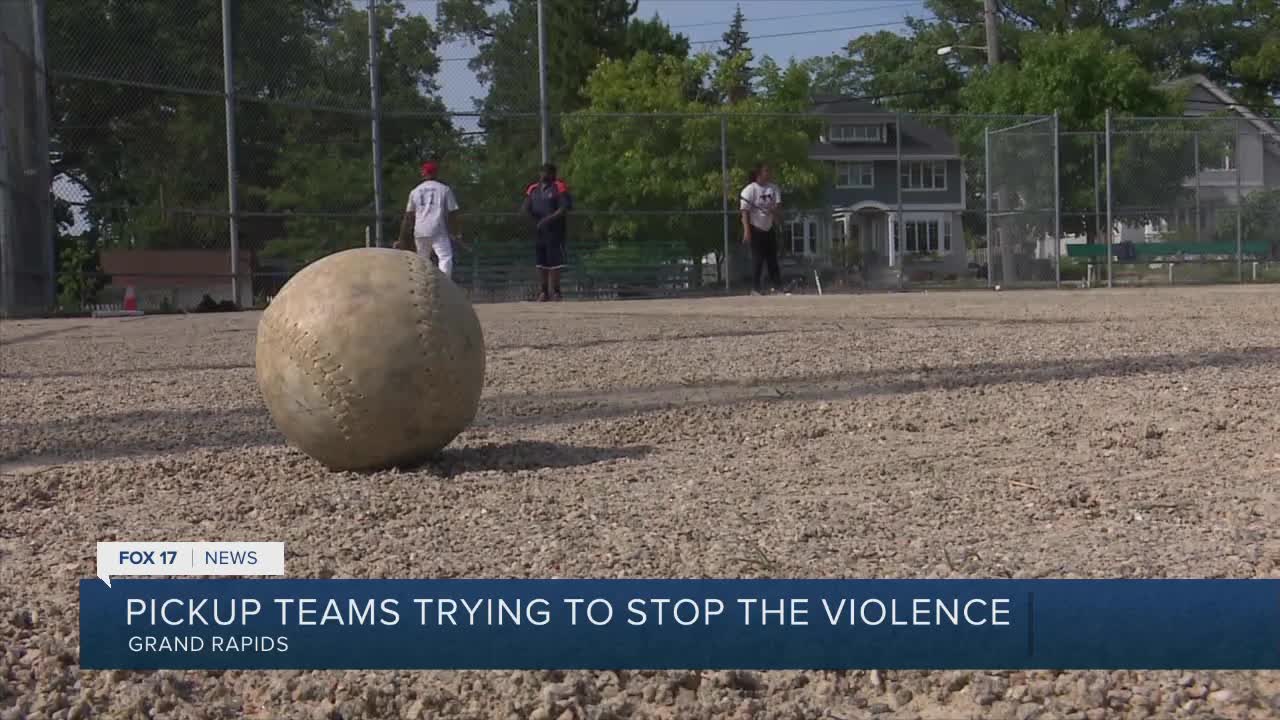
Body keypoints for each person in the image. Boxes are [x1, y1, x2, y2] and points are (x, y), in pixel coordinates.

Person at [395, 161, 464, 277]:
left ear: (423, 173)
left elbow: (408, 216)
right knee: (445, 257)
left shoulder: (415, 191)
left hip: (420, 229)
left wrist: (401, 238)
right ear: (436, 173)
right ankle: (445, 281)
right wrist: (456, 232)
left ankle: (422, 283)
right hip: (438, 229)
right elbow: (453, 212)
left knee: (422, 259)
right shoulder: (444, 189)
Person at [522, 163, 572, 301]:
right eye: (542, 172)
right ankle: (543, 291)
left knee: (555, 263)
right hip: (539, 232)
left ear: (553, 174)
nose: (543, 174)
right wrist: (530, 216)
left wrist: (547, 220)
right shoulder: (533, 188)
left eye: (547, 172)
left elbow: (564, 208)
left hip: (555, 232)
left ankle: (556, 291)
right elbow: (526, 206)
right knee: (541, 263)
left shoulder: (558, 186)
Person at [740, 163, 783, 295]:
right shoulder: (749, 190)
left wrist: (774, 213)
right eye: (766, 171)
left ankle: (777, 287)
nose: (769, 173)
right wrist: (747, 231)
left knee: (772, 259)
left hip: (769, 228)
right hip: (755, 229)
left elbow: (778, 206)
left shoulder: (773, 188)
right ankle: (755, 288)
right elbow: (744, 212)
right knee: (757, 259)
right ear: (758, 174)